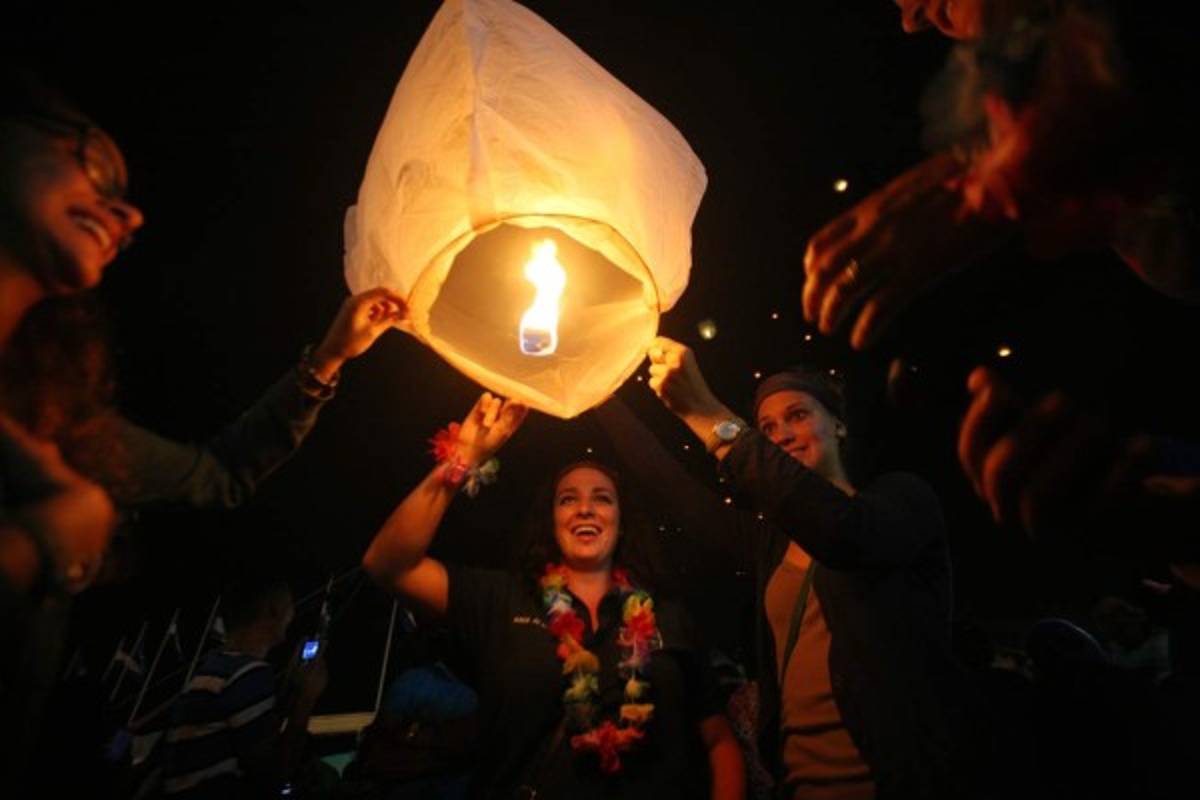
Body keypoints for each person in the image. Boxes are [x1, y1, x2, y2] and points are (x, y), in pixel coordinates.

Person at [361, 392, 746, 799]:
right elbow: (388, 564)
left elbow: (718, 740)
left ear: (621, 521)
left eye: (602, 498)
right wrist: (463, 459)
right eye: (568, 499)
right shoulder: (502, 599)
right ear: (552, 521)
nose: (585, 509)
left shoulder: (668, 616)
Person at [643, 337, 980, 799]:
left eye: (797, 415)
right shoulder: (772, 543)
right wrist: (600, 391)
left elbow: (844, 535)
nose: (780, 433)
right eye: (766, 427)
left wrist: (710, 416)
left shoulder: (901, 503)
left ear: (839, 425)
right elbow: (679, 496)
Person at [160, 569, 328, 798]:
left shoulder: (214, 670)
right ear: (274, 610)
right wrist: (306, 700)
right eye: (290, 605)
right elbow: (272, 775)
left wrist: (289, 686)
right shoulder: (248, 674)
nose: (293, 613)